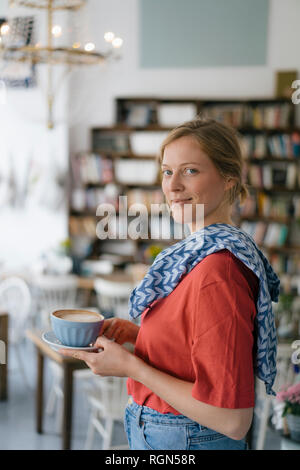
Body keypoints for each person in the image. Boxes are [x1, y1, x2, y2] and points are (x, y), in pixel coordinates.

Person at [61, 118, 280, 450]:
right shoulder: (197, 256)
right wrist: (140, 337)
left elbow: (232, 420)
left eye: (190, 170)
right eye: (167, 171)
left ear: (228, 179)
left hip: (184, 439)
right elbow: (198, 353)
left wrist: (131, 366)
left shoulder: (217, 271)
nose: (173, 186)